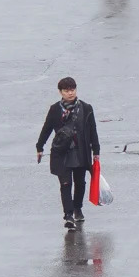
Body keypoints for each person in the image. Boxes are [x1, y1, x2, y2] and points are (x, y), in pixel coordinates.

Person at [36, 76, 100, 230]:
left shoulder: (86, 108)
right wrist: (40, 146)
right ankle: (68, 215)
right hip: (62, 152)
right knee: (65, 184)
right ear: (60, 92)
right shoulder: (55, 109)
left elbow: (93, 130)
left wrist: (96, 151)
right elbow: (47, 129)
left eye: (72, 90)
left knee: (80, 183)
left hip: (80, 151)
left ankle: (77, 208)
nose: (70, 93)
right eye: (66, 91)